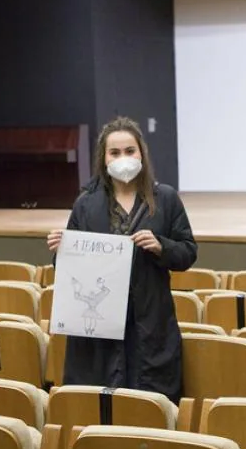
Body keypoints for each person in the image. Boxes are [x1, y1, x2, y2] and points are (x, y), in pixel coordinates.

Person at [47, 116, 198, 402]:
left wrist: (161, 246)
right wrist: (62, 251)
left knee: (148, 409)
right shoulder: (86, 203)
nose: (123, 158)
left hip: (150, 324)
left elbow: (188, 252)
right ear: (103, 158)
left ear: (142, 152)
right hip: (99, 331)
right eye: (114, 153)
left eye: (130, 151)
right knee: (103, 409)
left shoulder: (165, 198)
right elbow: (68, 275)